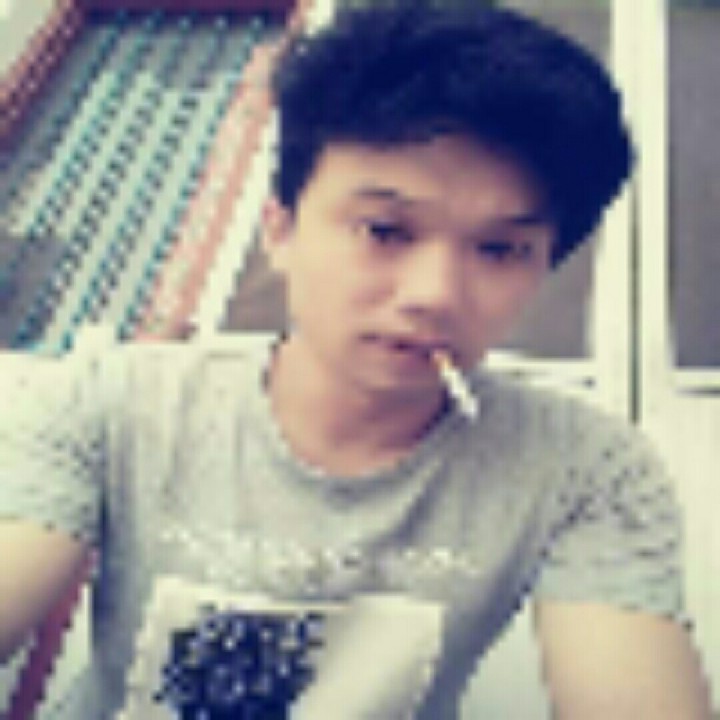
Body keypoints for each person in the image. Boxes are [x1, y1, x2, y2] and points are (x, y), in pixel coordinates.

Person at [0, 1, 713, 718]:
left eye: (500, 249)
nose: (434, 294)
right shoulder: (118, 401)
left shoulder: (583, 470)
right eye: (384, 230)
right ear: (280, 230)